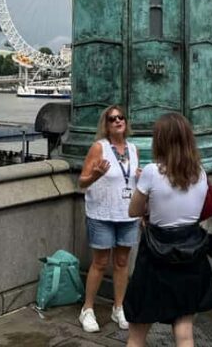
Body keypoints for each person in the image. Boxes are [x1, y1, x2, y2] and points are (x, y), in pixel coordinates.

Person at [123, 113, 212, 347]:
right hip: (191, 253)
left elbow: (133, 211)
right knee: (185, 330)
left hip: (156, 255)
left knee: (137, 331)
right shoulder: (200, 172)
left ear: (160, 140)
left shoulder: (152, 172)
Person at [78, 105, 139, 333]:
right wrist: (95, 175)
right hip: (102, 213)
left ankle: (119, 307)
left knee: (122, 263)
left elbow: (131, 181)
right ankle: (88, 309)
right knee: (100, 263)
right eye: (112, 119)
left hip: (127, 213)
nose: (117, 121)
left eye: (121, 117)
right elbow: (82, 182)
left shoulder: (133, 149)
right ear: (106, 124)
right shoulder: (99, 148)